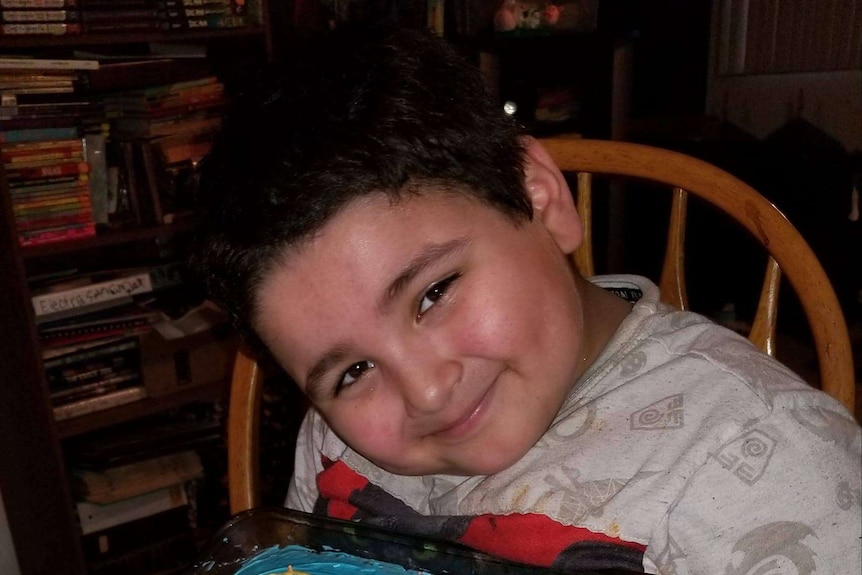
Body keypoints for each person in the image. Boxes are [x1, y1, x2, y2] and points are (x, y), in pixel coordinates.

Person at [191, 26, 862, 575]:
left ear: (540, 198)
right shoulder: (338, 438)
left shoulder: (770, 464)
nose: (425, 392)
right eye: (352, 372)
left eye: (434, 293)